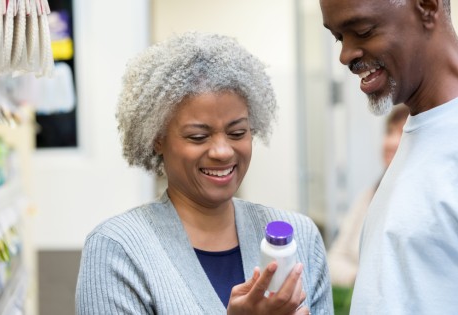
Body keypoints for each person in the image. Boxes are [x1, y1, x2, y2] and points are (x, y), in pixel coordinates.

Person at [75, 31, 333, 315]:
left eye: (237, 132)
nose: (222, 151)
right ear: (157, 138)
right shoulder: (117, 250)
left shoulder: (300, 237)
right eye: (198, 136)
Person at [319, 0, 458, 314]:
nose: (345, 55)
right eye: (339, 37)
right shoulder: (420, 132)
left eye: (363, 31)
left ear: (426, 6)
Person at [327, 104, 408, 288]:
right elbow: (334, 260)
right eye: (389, 132)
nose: (390, 143)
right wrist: (359, 279)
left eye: (403, 134)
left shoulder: (421, 204)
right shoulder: (369, 196)